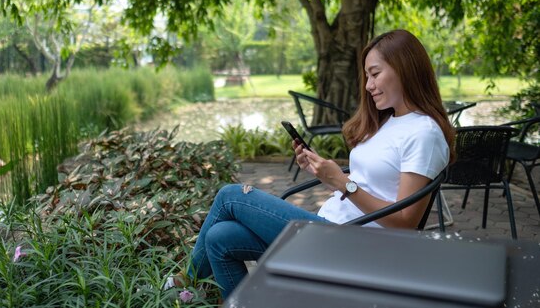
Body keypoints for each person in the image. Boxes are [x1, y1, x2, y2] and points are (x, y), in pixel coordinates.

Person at [171, 29, 456, 300]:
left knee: (230, 196)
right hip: (331, 228)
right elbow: (371, 181)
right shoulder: (391, 120)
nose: (368, 86)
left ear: (404, 68)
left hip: (355, 248)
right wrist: (324, 170)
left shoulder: (424, 133)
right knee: (221, 237)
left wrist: (342, 183)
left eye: (375, 74)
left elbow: (405, 224)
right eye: (367, 76)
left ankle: (182, 287)